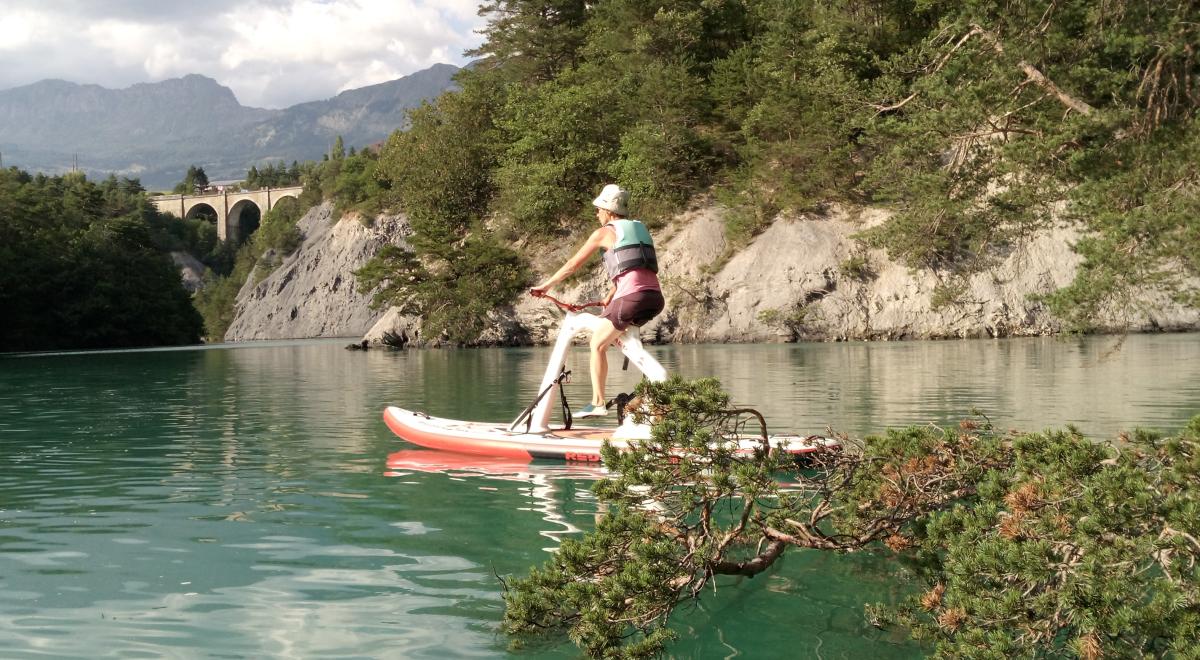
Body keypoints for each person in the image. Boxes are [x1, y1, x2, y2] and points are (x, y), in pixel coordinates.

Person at [530, 184, 665, 417]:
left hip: (631, 298)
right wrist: (612, 294)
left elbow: (572, 265)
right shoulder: (640, 228)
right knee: (623, 339)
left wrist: (545, 286)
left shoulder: (603, 233)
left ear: (608, 210)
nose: (596, 214)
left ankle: (598, 403)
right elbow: (636, 267)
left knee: (597, 345)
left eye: (598, 209)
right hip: (653, 297)